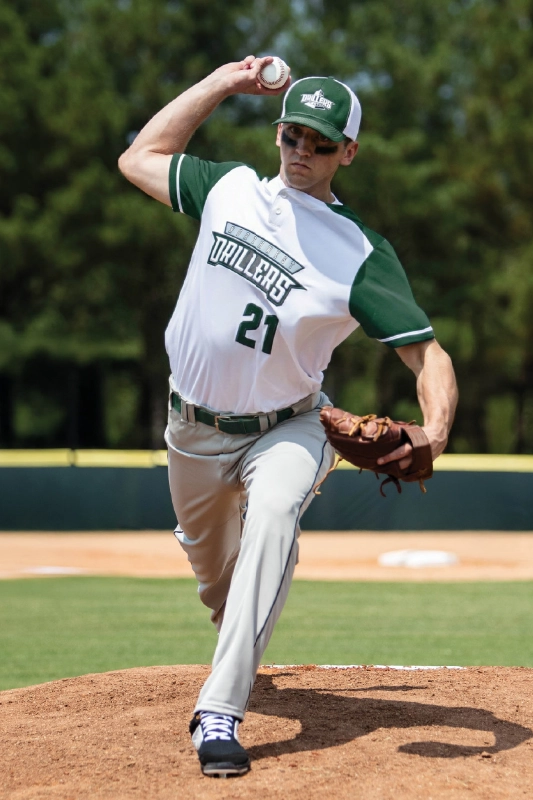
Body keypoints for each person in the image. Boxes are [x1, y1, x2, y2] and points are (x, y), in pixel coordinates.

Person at [118, 55, 458, 778]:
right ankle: (236, 622)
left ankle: (219, 711)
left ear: (348, 153)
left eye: (321, 142)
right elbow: (139, 157)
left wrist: (435, 430)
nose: (302, 150)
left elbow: (426, 357)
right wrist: (219, 83)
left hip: (291, 424)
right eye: (292, 135)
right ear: (277, 133)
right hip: (192, 432)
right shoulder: (230, 189)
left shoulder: (357, 252)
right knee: (214, 575)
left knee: (274, 514)